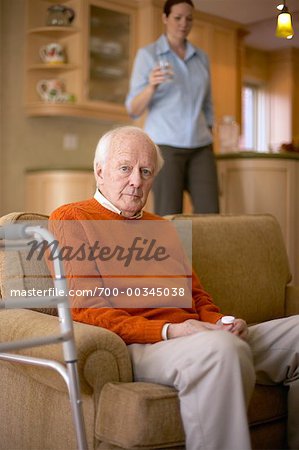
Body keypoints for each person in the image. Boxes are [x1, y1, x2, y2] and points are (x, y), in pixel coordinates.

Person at [49, 126, 299, 450]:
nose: (136, 181)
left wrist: (220, 323)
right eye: (125, 168)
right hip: (142, 344)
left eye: (145, 171)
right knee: (222, 350)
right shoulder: (71, 218)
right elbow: (85, 310)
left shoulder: (161, 229)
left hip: (193, 337)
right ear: (100, 171)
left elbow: (196, 296)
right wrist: (171, 331)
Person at [125, 0, 219, 216]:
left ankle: (209, 251)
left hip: (201, 145)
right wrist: (151, 86)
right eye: (177, 17)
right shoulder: (148, 55)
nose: (183, 23)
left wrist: (210, 128)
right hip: (165, 146)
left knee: (211, 213)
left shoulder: (201, 57)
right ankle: (171, 251)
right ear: (165, 18)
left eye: (189, 18)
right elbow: (133, 108)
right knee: (169, 213)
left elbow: (207, 102)